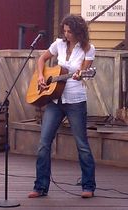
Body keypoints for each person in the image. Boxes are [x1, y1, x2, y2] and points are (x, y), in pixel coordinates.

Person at [28, 14, 96, 198]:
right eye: (64, 31)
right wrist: (41, 76)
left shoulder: (88, 49)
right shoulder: (58, 44)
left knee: (81, 143)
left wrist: (79, 75)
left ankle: (88, 185)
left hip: (75, 100)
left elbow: (84, 71)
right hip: (55, 99)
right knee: (43, 143)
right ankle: (40, 186)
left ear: (79, 31)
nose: (66, 34)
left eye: (70, 31)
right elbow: (41, 59)